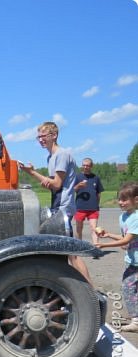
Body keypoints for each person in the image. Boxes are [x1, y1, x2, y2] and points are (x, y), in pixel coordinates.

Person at [18, 122, 93, 284]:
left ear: (54, 135)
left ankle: (90, 291)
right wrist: (47, 182)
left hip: (63, 207)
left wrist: (32, 173)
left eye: (44, 136)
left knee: (71, 253)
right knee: (62, 252)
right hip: (58, 204)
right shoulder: (51, 157)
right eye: (38, 137)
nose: (40, 140)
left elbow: (57, 184)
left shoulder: (61, 155)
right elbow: (54, 185)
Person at [96, 182, 138, 332]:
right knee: (132, 288)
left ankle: (136, 321)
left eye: (125, 199)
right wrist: (108, 235)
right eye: (119, 199)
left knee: (128, 288)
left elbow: (126, 240)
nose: (121, 202)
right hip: (132, 261)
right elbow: (124, 238)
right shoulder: (123, 217)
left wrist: (104, 246)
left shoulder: (136, 217)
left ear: (136, 200)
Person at [74, 158, 104, 244]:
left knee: (93, 228)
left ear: (91, 166)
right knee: (79, 228)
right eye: (84, 165)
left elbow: (98, 193)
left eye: (87, 165)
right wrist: (78, 186)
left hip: (93, 208)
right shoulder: (77, 177)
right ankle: (79, 246)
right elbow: (72, 190)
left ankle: (96, 247)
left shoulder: (96, 178)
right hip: (80, 207)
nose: (85, 167)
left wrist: (97, 205)